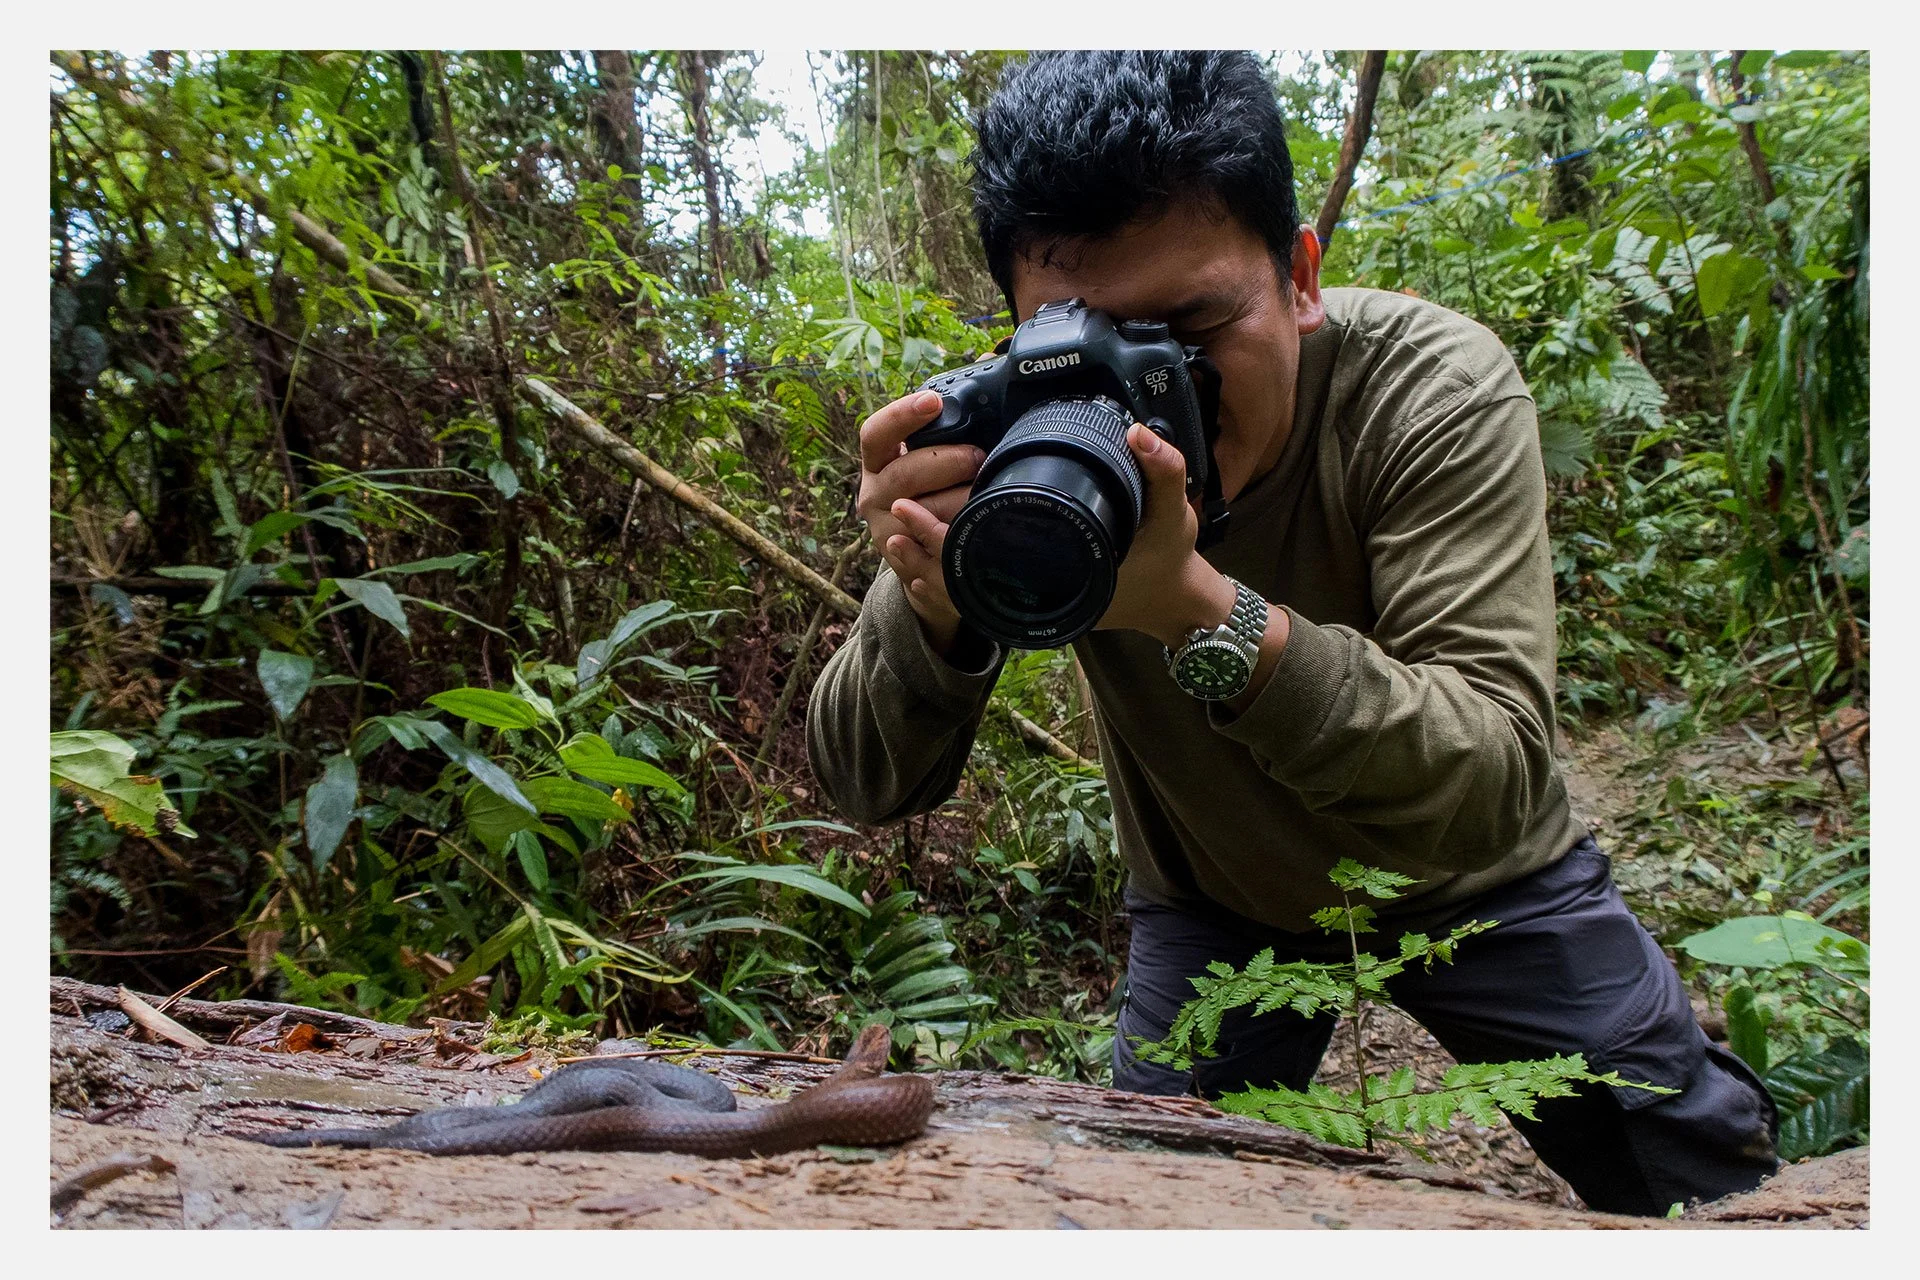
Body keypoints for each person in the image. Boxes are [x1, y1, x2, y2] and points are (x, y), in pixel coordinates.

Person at [805, 49, 1778, 1216]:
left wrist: (1193, 610)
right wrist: (941, 602)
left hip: (1482, 877)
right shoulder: (1019, 432)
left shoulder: (1429, 389)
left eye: (1190, 331)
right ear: (1019, 328)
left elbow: (1495, 776)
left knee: (1707, 1192)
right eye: (1090, 341)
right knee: (1159, 1208)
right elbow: (861, 779)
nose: (1144, 402)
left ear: (1301, 274)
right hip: (1215, 899)